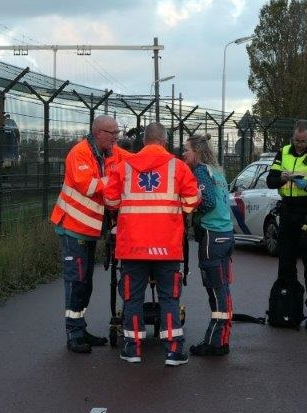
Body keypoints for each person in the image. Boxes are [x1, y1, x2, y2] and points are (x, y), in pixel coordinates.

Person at [104, 122, 199, 366]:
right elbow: (189, 204)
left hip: (133, 247)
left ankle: (132, 348)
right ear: (165, 142)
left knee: (132, 298)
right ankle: (173, 351)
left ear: (143, 142)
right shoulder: (177, 167)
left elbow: (111, 201)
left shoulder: (124, 167)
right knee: (169, 298)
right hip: (167, 247)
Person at [50, 114, 128, 354]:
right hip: (74, 228)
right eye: (112, 133)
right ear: (98, 133)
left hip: (89, 229)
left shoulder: (110, 152)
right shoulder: (79, 153)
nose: (117, 137)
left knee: (86, 283)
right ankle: (73, 333)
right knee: (77, 281)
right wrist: (117, 180)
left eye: (118, 133)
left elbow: (137, 161)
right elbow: (89, 186)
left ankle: (81, 329)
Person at [265, 119, 307, 329]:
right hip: (287, 211)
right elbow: (270, 180)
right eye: (296, 140)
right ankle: (288, 307)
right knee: (286, 263)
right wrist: (282, 179)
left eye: (303, 141)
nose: (299, 145)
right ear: (292, 137)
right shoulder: (283, 152)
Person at [181, 134, 235, 357]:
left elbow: (209, 201)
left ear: (198, 152)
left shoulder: (201, 171)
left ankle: (216, 342)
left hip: (212, 234)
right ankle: (220, 337)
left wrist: (189, 206)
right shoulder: (217, 170)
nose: (184, 154)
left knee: (215, 288)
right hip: (226, 234)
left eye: (187, 150)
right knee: (222, 286)